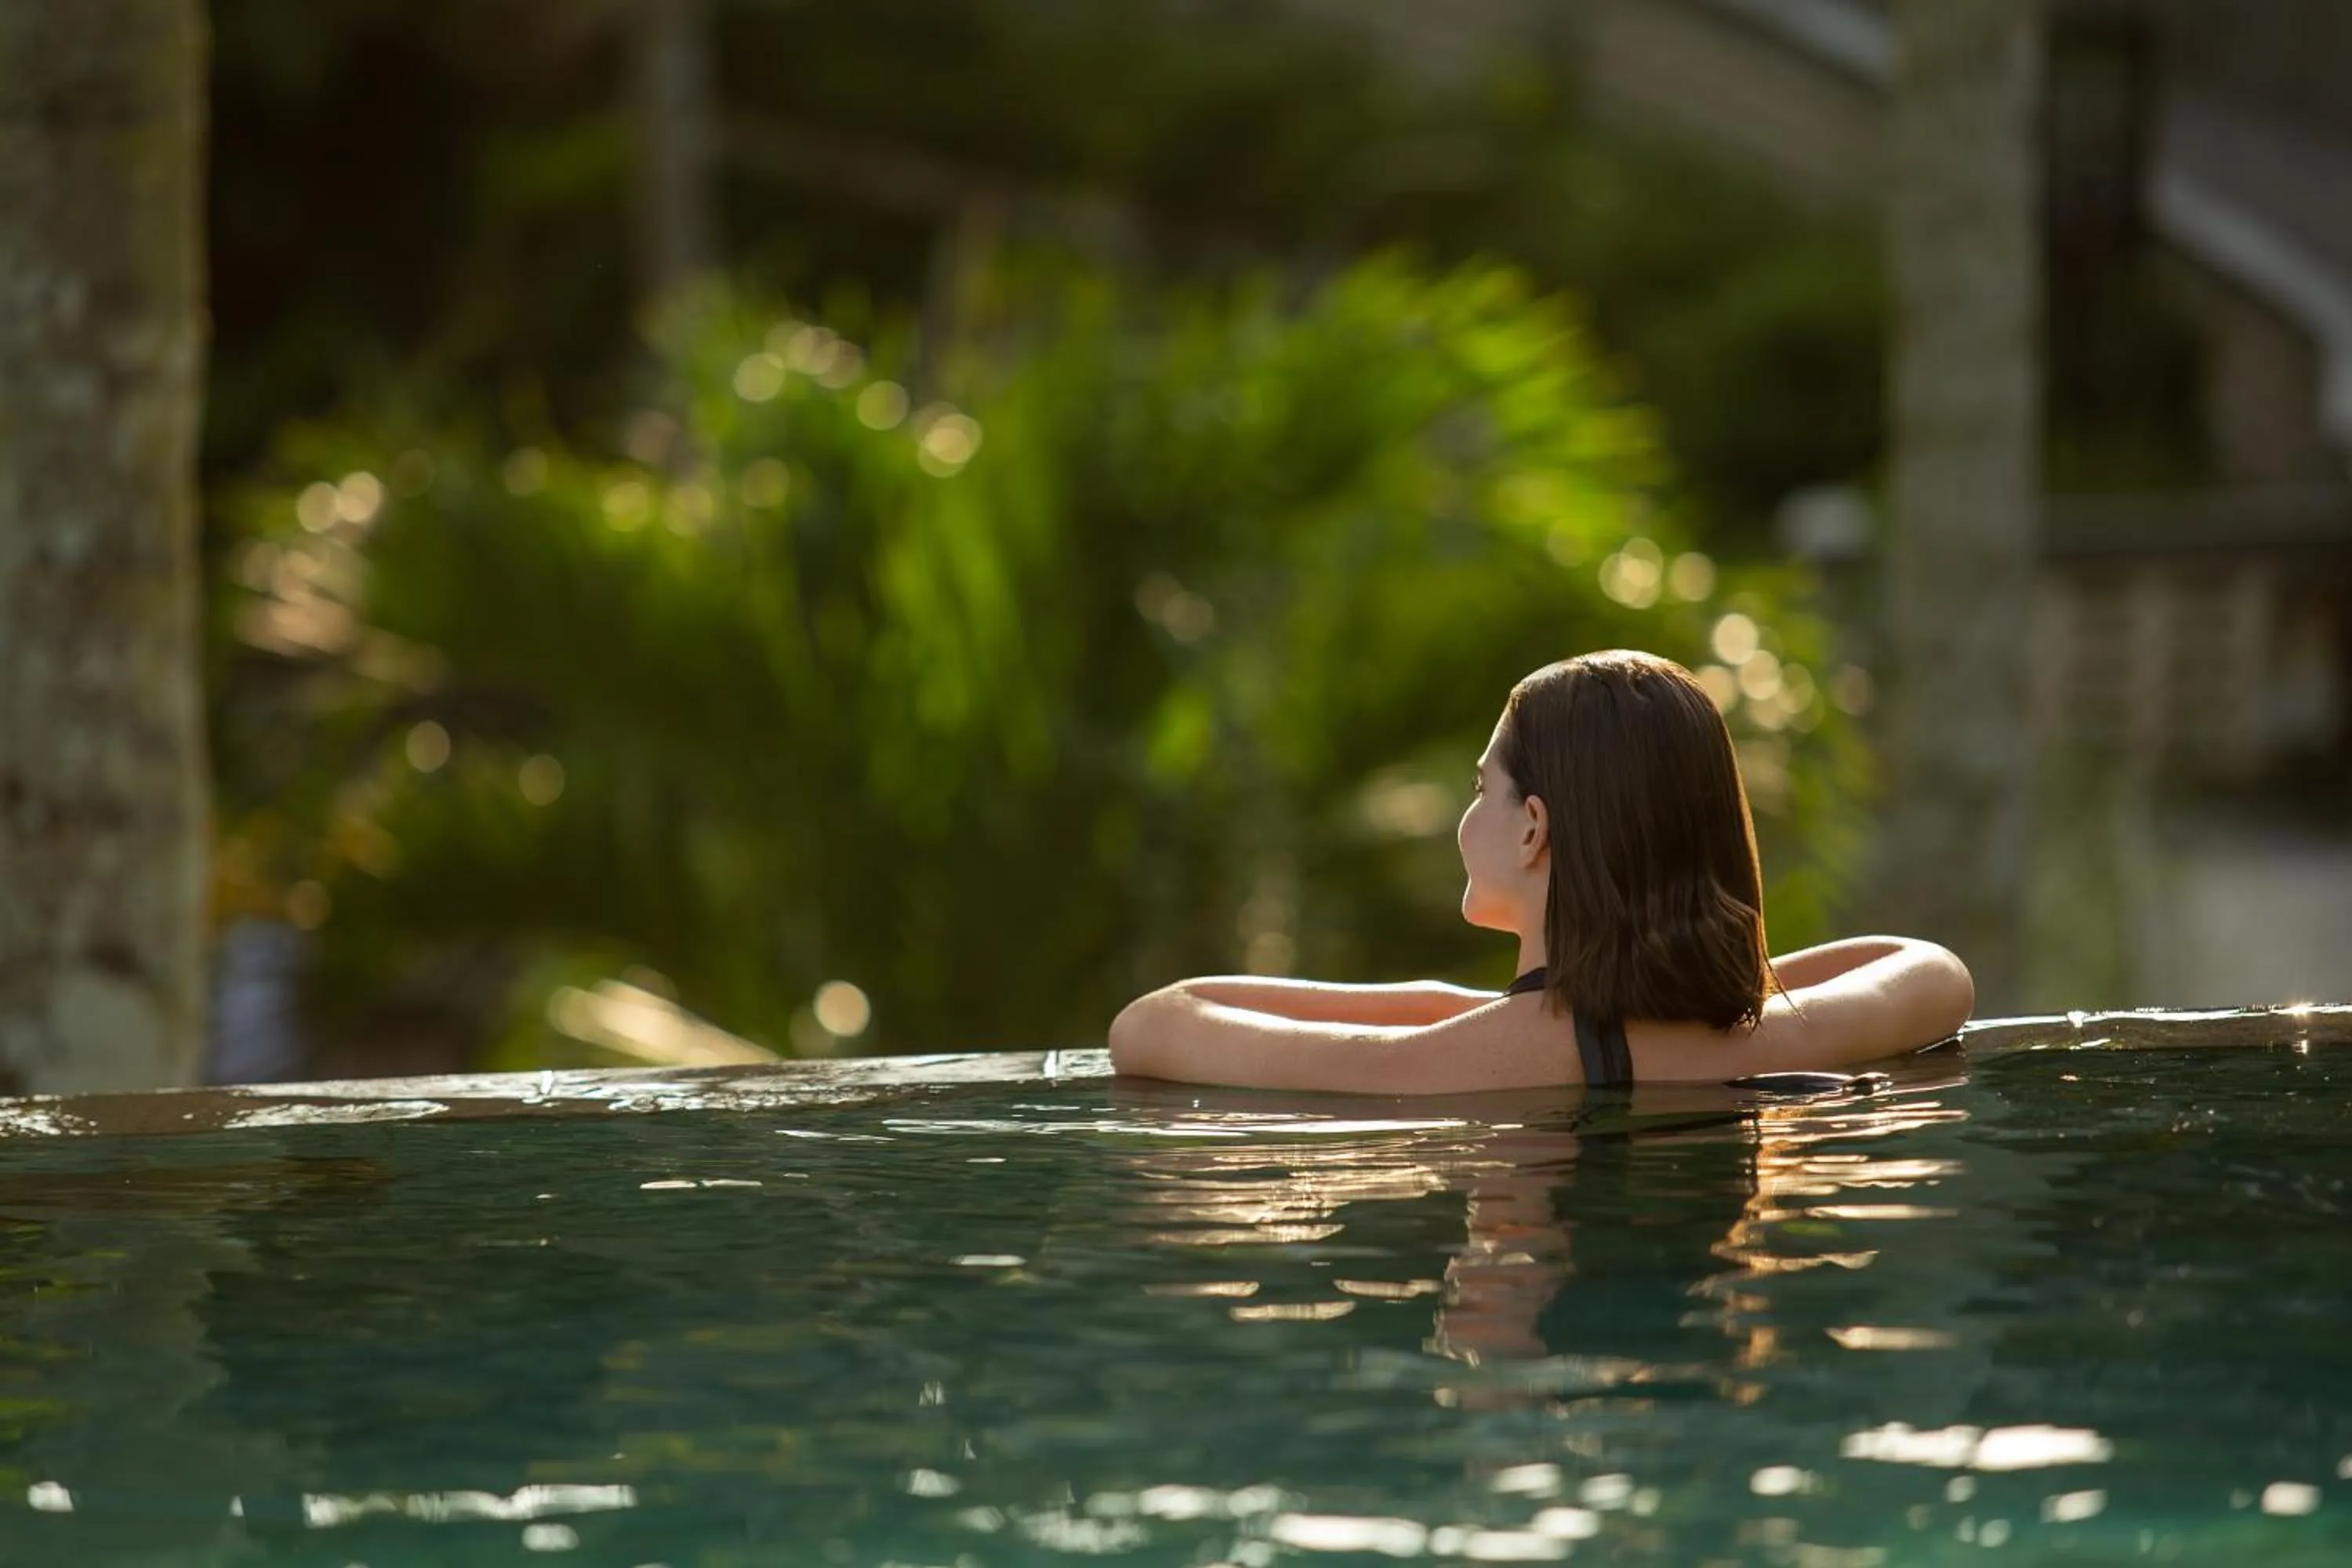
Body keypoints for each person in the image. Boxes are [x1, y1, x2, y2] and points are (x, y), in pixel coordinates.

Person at [1109, 649, 1973, 1094]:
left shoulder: (1445, 1062)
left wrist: (1471, 1012)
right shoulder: (1783, 1035)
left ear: (1533, 829)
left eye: (1480, 788)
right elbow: (1931, 970)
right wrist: (1664, 967)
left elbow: (1151, 1025)